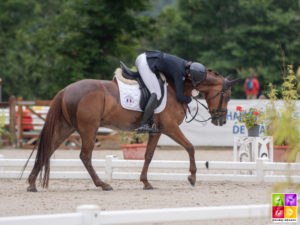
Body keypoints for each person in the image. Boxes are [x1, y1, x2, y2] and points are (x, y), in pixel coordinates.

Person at [135, 50, 207, 133]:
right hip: (145, 63)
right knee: (156, 93)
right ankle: (144, 124)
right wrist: (189, 99)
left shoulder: (185, 65)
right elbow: (179, 96)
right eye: (191, 79)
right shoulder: (179, 72)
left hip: (147, 58)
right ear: (190, 74)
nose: (190, 80)